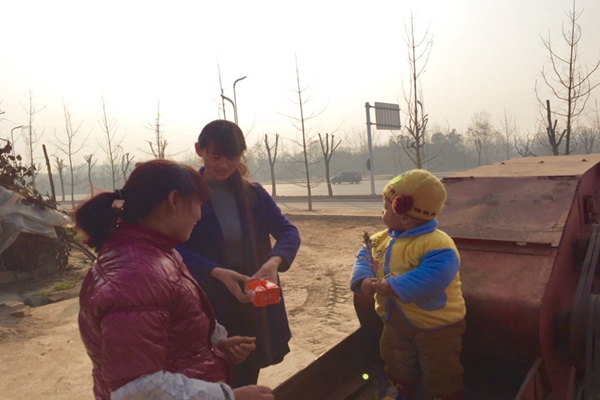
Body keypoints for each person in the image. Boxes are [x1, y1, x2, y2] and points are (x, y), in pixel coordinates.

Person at [76, 159, 274, 400]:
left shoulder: (156, 252)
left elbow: (169, 327)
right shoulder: (137, 276)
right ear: (174, 201)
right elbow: (136, 388)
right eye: (198, 204)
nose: (199, 215)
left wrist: (213, 344)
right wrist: (228, 397)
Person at [177, 120, 301, 388]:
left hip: (251, 298)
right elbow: (173, 246)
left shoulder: (253, 194)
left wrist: (274, 261)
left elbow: (288, 231)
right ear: (199, 150)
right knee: (208, 373)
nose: (224, 164)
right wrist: (214, 271)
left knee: (246, 371)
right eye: (215, 156)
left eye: (232, 157)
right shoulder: (185, 196)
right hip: (207, 299)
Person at [350, 169, 467, 400]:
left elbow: (435, 275)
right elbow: (365, 258)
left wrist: (393, 286)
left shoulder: (437, 243)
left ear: (405, 217)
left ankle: (444, 395)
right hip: (395, 322)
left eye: (385, 207)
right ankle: (399, 389)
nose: (381, 212)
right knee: (395, 358)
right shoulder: (380, 240)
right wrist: (363, 279)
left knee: (440, 366)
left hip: (436, 326)